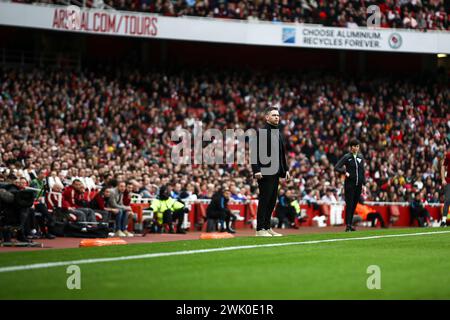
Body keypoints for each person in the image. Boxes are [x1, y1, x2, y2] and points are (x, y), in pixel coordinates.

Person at [251, 106, 289, 237]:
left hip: (276, 171)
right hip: (265, 171)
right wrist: (256, 169)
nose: (277, 117)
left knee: (272, 200)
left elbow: (281, 153)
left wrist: (286, 170)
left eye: (278, 115)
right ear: (267, 117)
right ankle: (260, 229)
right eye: (274, 115)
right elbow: (254, 152)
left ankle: (267, 227)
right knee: (265, 200)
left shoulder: (276, 132)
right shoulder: (263, 132)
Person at [334, 139, 366, 232]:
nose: (356, 148)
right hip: (349, 185)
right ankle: (348, 225)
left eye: (357, 146)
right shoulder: (347, 157)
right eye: (354, 146)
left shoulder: (361, 157)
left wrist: (364, 184)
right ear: (351, 147)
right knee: (349, 204)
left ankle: (350, 224)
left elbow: (362, 171)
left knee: (354, 204)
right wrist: (345, 172)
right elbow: (336, 167)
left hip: (358, 185)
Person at [441, 147, 450, 227]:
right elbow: (443, 166)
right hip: (449, 180)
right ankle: (443, 220)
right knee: (447, 200)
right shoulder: (448, 155)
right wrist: (443, 179)